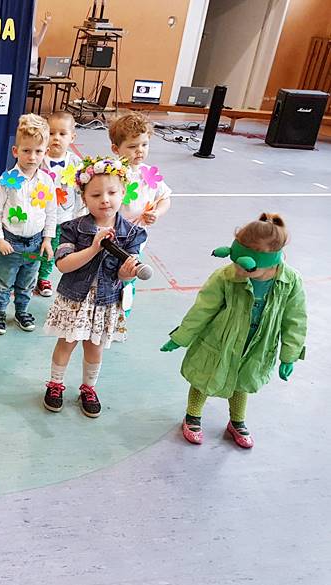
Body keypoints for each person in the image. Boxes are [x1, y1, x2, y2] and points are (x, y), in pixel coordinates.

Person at [161, 214, 307, 448]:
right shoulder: (225, 277)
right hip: (220, 341)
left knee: (242, 381)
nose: (237, 268)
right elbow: (203, 309)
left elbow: (295, 320)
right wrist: (181, 337)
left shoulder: (290, 282)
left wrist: (289, 355)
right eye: (235, 261)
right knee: (204, 377)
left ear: (268, 260)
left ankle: (237, 421)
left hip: (257, 344)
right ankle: (192, 416)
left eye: (244, 264)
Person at [43, 156, 146, 417]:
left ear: (123, 192)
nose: (105, 200)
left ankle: (88, 388)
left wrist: (126, 274)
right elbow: (63, 264)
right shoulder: (73, 228)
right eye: (96, 195)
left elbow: (125, 274)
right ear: (84, 198)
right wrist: (93, 248)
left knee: (95, 346)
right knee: (67, 342)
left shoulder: (132, 233)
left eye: (112, 193)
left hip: (106, 300)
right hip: (74, 298)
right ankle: (55, 384)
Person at [0, 113, 57, 334]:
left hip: (35, 244)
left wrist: (47, 240)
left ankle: (21, 311)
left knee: (28, 281)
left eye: (38, 151)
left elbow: (51, 212)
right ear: (15, 151)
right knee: (4, 281)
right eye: (26, 151)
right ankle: (0, 312)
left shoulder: (46, 181)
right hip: (11, 243)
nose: (32, 157)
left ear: (46, 152)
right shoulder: (6, 180)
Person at [37, 111, 86, 297]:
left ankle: (43, 277)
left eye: (62, 134)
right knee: (35, 246)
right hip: (39, 215)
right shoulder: (38, 158)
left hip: (63, 217)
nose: (56, 138)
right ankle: (28, 275)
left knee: (52, 249)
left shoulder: (76, 163)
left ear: (72, 137)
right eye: (51, 133)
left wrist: (80, 215)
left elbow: (81, 191)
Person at [109, 112, 172, 227]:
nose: (140, 150)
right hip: (113, 230)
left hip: (139, 231)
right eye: (132, 146)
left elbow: (164, 198)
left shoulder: (150, 174)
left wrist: (157, 213)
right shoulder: (110, 173)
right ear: (116, 149)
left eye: (144, 145)